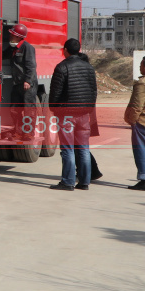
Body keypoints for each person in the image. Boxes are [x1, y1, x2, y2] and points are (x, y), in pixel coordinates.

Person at [48, 38, 98, 190]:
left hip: (67, 114)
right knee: (83, 148)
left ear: (65, 50)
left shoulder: (62, 67)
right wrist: (89, 108)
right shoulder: (89, 68)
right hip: (84, 113)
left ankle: (68, 182)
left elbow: (55, 92)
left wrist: (53, 108)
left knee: (68, 148)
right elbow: (94, 91)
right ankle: (84, 182)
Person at [8, 22, 38, 140]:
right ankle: (18, 132)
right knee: (15, 109)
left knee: (28, 110)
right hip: (17, 83)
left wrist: (28, 81)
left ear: (19, 36)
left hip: (27, 85)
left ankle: (28, 133)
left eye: (12, 35)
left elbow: (31, 66)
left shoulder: (27, 47)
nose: (10, 37)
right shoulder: (13, 48)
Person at [123, 57, 145, 190]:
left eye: (142, 64)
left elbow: (137, 105)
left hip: (141, 122)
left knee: (141, 150)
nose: (140, 67)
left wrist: (132, 120)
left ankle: (143, 178)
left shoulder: (142, 83)